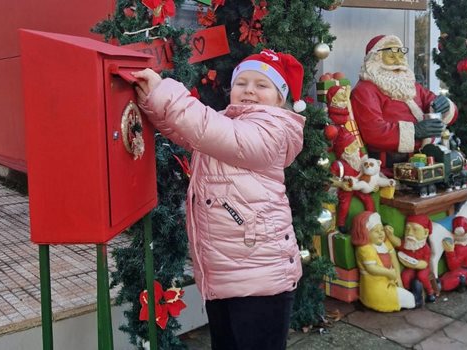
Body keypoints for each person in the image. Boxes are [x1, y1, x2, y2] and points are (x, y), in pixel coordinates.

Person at [132, 48, 306, 350]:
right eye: (242, 83)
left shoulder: (274, 129)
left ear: (281, 99)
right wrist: (150, 101)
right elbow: (187, 130)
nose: (249, 90)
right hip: (226, 270)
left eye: (262, 85)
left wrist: (164, 91)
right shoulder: (227, 124)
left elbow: (208, 129)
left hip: (260, 277)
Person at [350, 34, 458, 176]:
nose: (398, 61)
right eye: (391, 56)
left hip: (426, 161)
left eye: (401, 54)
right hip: (389, 170)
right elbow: (374, 132)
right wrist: (415, 131)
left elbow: (436, 104)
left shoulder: (411, 86)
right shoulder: (364, 91)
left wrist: (445, 105)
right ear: (375, 60)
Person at [351, 211, 415, 312]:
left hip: (389, 282)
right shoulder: (365, 249)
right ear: (365, 233)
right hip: (375, 287)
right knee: (409, 300)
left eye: (381, 229)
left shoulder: (384, 243)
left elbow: (393, 258)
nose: (381, 233)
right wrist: (389, 273)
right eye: (376, 231)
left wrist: (398, 278)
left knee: (409, 298)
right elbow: (371, 268)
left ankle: (412, 298)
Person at [386, 215, 437, 306]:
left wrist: (415, 265)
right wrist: (390, 235)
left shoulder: (425, 248)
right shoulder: (406, 244)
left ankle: (430, 293)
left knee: (422, 276)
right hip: (410, 267)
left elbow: (424, 264)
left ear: (425, 233)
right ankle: (408, 294)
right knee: (405, 276)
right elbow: (397, 242)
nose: (410, 233)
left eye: (415, 230)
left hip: (422, 267)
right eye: (407, 229)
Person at [329, 132, 375, 233]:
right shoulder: (339, 164)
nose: (357, 146)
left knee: (368, 199)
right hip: (347, 187)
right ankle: (341, 224)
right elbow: (329, 179)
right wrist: (341, 184)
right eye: (354, 144)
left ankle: (373, 219)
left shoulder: (358, 160)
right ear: (347, 150)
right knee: (344, 205)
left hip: (358, 185)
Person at [440, 216, 467, 292]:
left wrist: (450, 251)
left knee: (445, 281)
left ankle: (462, 282)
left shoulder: (460, 248)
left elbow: (453, 266)